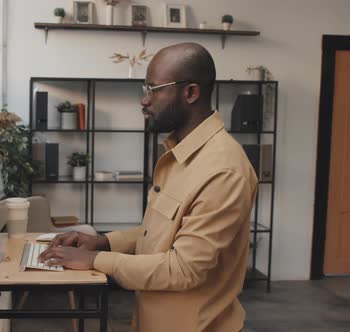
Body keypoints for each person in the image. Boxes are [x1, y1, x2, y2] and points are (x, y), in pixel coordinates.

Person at [39, 42, 258, 331]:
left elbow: (184, 269)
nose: (144, 101)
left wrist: (95, 259)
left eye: (153, 89)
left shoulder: (224, 170)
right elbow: (158, 234)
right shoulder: (180, 154)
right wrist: (104, 241)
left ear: (191, 92)